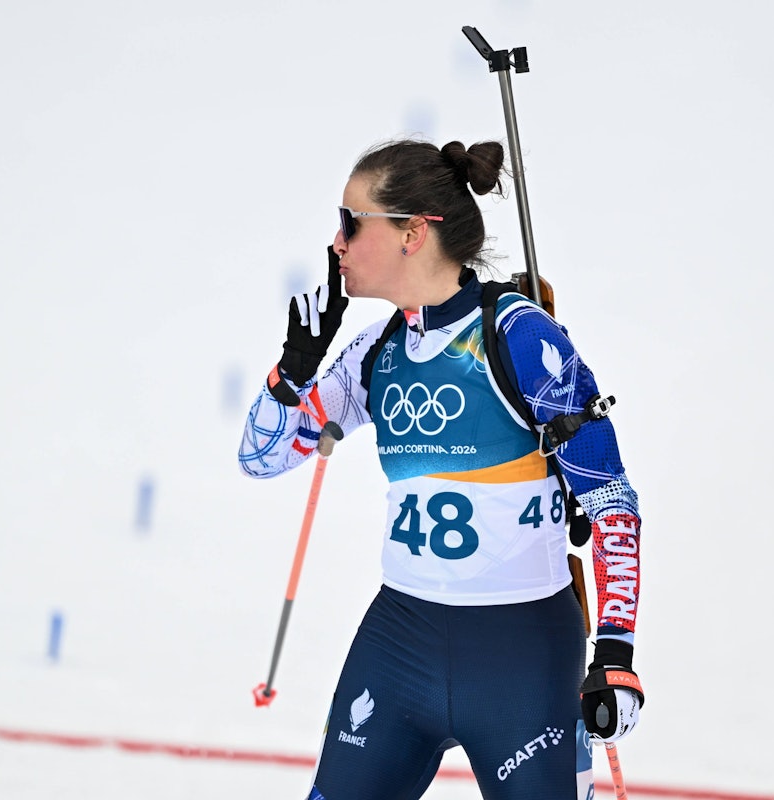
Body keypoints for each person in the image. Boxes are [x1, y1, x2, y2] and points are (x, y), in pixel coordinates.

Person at [239, 139, 643, 800]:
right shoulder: (378, 350)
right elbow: (262, 459)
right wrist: (292, 376)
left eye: (350, 222)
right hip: (400, 643)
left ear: (411, 232)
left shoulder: (518, 338)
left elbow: (610, 500)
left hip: (521, 654)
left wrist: (615, 657)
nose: (335, 244)